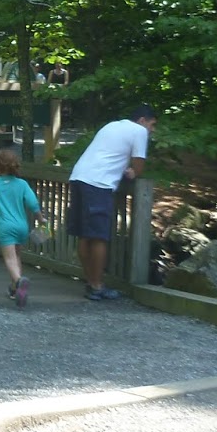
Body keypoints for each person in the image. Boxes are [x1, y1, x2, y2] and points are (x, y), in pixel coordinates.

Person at [67, 104, 157, 300]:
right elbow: (138, 166)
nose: (152, 130)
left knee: (84, 235)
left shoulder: (112, 125)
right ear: (142, 120)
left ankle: (92, 283)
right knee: (99, 237)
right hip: (99, 183)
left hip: (79, 177)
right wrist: (131, 173)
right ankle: (98, 285)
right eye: (152, 124)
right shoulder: (138, 132)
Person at [0, 148, 44, 309]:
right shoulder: (22, 184)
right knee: (17, 256)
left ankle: (18, 281)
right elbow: (32, 203)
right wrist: (40, 219)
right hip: (22, 226)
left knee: (9, 258)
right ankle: (16, 290)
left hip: (5, 227)